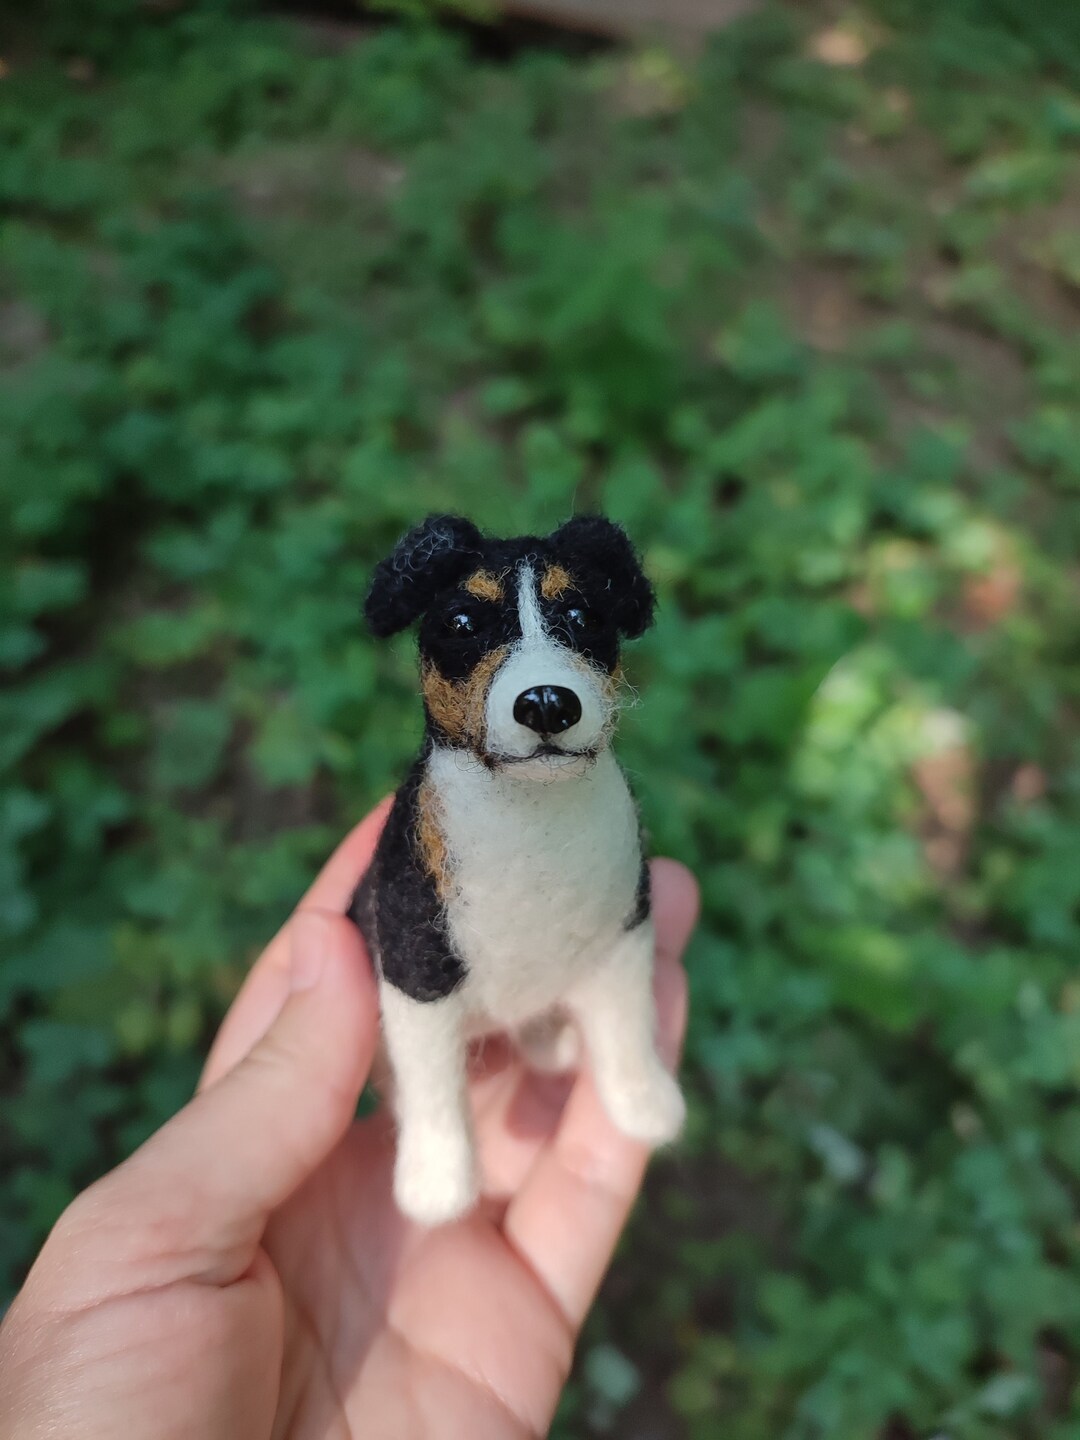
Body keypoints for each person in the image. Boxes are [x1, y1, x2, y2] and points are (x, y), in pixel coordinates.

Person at [0, 801, 697, 1439]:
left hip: (536, 972)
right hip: (433, 997)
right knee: (422, 993)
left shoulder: (598, 821)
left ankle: (573, 1042)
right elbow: (415, 983)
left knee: (590, 927)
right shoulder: (433, 834)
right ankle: (437, 1131)